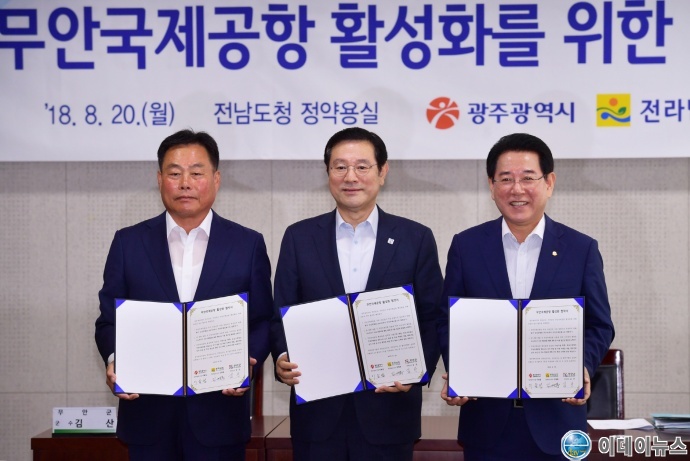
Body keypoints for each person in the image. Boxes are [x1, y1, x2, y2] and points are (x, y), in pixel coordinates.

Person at [94, 129, 273, 460]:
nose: (185, 183)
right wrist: (115, 360)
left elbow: (263, 320)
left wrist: (248, 360)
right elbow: (108, 322)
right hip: (147, 415)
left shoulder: (247, 244)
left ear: (216, 179)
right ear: (159, 179)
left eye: (196, 173)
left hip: (219, 415)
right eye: (175, 173)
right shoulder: (128, 243)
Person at [438, 132, 615, 460]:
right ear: (491, 186)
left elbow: (599, 325)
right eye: (506, 179)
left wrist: (582, 366)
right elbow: (447, 321)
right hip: (487, 422)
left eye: (528, 178)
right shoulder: (467, 246)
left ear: (549, 183)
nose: (516, 189)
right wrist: (460, 371)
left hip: (558, 423)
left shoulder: (581, 249)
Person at [270, 127, 443, 461]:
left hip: (389, 413)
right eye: (340, 167)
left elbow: (431, 316)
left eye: (362, 166)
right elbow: (280, 314)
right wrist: (281, 357)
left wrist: (415, 371)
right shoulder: (299, 238)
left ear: (382, 172)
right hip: (317, 416)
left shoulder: (415, 238)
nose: (351, 177)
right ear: (328, 173)